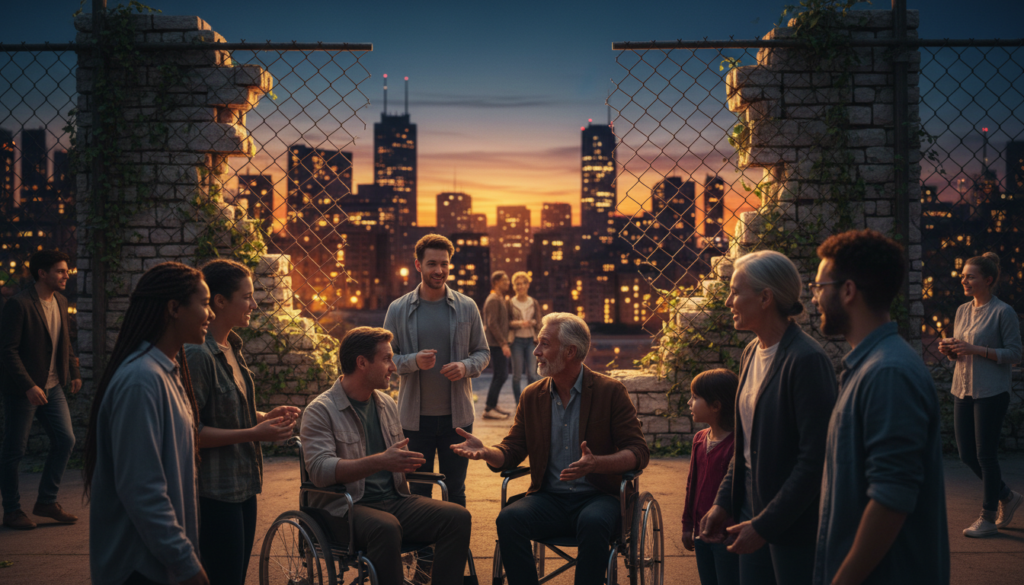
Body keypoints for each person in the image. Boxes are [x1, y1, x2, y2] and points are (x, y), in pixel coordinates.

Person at [452, 312, 650, 585]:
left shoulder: (610, 392)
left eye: (544, 344)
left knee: (593, 523)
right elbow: (512, 450)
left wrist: (597, 464)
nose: (536, 351)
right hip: (549, 498)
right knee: (509, 520)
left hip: (599, 496)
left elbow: (638, 452)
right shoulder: (533, 395)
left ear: (570, 351)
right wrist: (487, 451)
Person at [810, 229, 949, 585]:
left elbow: (891, 499)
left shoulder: (888, 373)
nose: (814, 300)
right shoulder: (872, 366)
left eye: (819, 287)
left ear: (848, 290)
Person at [700, 250, 837, 585]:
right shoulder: (750, 352)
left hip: (793, 523)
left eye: (735, 291)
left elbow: (815, 459)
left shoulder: (807, 361)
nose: (729, 300)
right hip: (750, 508)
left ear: (765, 298)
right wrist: (722, 502)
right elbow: (744, 444)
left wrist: (766, 525)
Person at [300, 327, 472, 585]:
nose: (393, 366)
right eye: (387, 359)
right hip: (346, 508)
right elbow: (321, 472)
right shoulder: (320, 411)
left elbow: (396, 460)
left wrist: (406, 463)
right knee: (386, 527)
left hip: (395, 500)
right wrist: (380, 461)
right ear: (362, 363)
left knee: (458, 517)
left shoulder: (386, 404)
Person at [83, 262, 212, 585]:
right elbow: (143, 492)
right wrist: (188, 566)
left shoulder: (165, 372)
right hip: (139, 569)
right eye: (205, 303)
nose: (209, 314)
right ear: (174, 308)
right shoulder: (141, 381)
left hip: (158, 565)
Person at [184, 259, 301, 584]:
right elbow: (190, 432)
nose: (254, 304)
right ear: (220, 301)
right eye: (246, 297)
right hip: (214, 491)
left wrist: (267, 417)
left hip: (243, 485)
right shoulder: (198, 355)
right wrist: (254, 432)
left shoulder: (233, 347)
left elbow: (230, 413)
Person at [383, 234, 490, 507]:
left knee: (456, 490)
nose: (439, 270)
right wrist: (413, 362)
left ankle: (455, 550)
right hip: (413, 421)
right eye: (432, 264)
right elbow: (386, 359)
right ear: (418, 265)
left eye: (444, 264)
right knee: (419, 492)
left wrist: (465, 367)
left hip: (458, 420)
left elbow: (483, 353)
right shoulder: (397, 309)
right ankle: (425, 552)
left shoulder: (467, 307)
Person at [938, 252, 1023, 537]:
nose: (963, 279)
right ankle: (1008, 497)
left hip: (991, 391)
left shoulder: (1003, 312)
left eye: (970, 276)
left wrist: (975, 350)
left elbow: (1015, 354)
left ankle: (987, 516)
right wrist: (950, 351)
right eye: (962, 275)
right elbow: (961, 353)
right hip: (962, 388)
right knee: (966, 455)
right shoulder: (962, 311)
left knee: (986, 455)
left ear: (987, 280)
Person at [0, 249, 81, 530]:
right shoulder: (19, 304)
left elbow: (65, 340)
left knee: (66, 440)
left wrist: (73, 372)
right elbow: (7, 351)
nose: (66, 275)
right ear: (42, 273)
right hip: (24, 390)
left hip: (53, 385)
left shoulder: (60, 300)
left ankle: (46, 501)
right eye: (60, 270)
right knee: (14, 450)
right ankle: (11, 510)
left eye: (66, 270)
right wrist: (28, 386)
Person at [683, 369, 740, 585]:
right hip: (700, 531)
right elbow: (692, 485)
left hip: (726, 535)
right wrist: (687, 525)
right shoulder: (699, 439)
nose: (689, 402)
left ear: (716, 406)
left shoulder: (736, 444)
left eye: (695, 397)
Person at [507, 271, 542, 404]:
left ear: (527, 285)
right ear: (514, 286)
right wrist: (521, 323)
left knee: (533, 375)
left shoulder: (533, 302)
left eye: (523, 283)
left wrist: (533, 323)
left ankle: (531, 404)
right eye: (517, 284)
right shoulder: (510, 303)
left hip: (531, 341)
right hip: (516, 342)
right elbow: (508, 323)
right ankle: (519, 405)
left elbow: (539, 323)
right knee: (516, 376)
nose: (520, 286)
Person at [482, 270, 512, 419]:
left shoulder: (500, 299)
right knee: (501, 375)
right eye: (504, 280)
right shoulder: (493, 299)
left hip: (498, 343)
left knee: (499, 375)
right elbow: (492, 324)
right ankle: (488, 408)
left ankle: (492, 405)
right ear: (495, 283)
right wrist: (503, 344)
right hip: (496, 344)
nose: (508, 282)